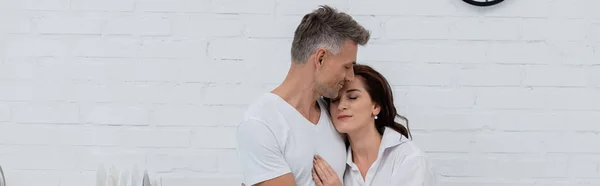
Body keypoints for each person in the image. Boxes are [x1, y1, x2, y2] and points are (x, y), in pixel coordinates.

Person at [235, 5, 371, 186]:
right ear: (321, 58)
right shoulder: (262, 124)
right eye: (346, 66)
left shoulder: (336, 116)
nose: (351, 76)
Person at [311, 64, 437, 186]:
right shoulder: (337, 164)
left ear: (376, 106)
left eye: (353, 97)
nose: (341, 106)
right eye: (335, 100)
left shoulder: (409, 159)